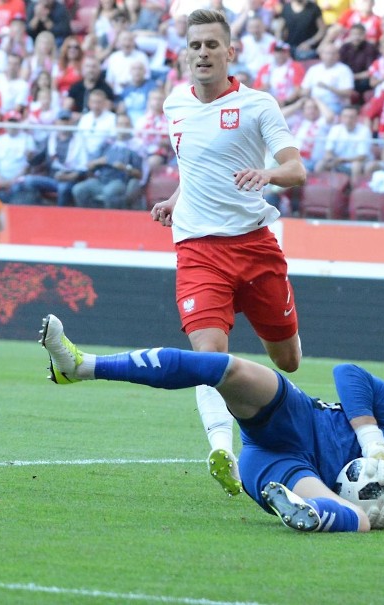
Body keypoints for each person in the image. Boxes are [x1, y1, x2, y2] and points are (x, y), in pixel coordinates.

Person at [39, 314, 384, 532]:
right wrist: (371, 438)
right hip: (296, 418)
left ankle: (297, 509)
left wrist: (369, 510)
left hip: (283, 465)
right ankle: (81, 365)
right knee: (228, 368)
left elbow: (376, 515)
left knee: (360, 522)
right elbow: (349, 374)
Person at [149, 9, 306, 499]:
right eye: (195, 45)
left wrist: (268, 176)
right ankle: (222, 447)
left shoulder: (259, 105)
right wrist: (175, 201)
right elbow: (195, 167)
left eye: (212, 45)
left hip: (255, 246)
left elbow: (296, 169)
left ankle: (279, 408)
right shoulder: (175, 104)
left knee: (288, 360)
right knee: (207, 358)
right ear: (184, 53)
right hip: (198, 249)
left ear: (230, 52)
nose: (202, 53)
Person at [72, 113, 145, 209]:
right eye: (120, 124)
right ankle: (88, 216)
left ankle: (109, 220)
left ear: (131, 126)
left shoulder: (135, 146)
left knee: (109, 192)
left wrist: (125, 167)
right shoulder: (107, 143)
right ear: (116, 126)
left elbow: (139, 174)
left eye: (126, 124)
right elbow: (89, 165)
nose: (123, 127)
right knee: (78, 189)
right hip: (100, 180)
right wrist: (98, 161)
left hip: (120, 181)